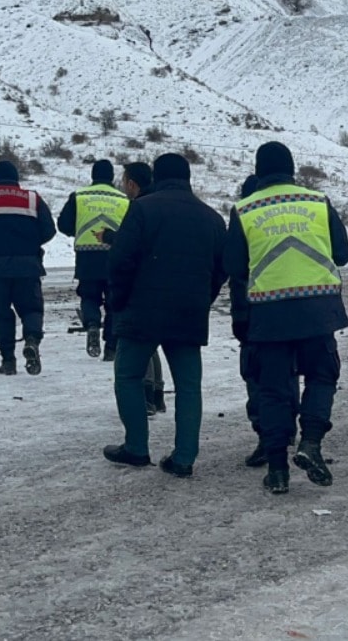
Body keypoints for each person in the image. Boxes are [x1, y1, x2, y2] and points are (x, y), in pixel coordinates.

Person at [224, 142, 348, 494]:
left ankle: (278, 470)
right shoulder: (317, 202)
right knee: (322, 377)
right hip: (318, 309)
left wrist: (241, 320)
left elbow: (235, 270)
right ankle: (311, 443)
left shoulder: (244, 210)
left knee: (273, 391)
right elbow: (343, 254)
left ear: (259, 170)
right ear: (292, 169)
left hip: (269, 314)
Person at [104, 153, 227, 478]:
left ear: (157, 177)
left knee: (128, 376)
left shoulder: (142, 209)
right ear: (189, 177)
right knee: (189, 386)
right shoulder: (212, 218)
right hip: (188, 313)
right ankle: (184, 457)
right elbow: (220, 269)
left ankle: (136, 448)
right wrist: (203, 300)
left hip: (142, 313)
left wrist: (120, 302)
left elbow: (121, 261)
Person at [229, 173, 300, 468]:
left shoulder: (246, 221)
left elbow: (235, 274)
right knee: (288, 377)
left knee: (259, 381)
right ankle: (287, 432)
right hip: (294, 313)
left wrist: (239, 319)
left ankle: (268, 438)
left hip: (256, 318)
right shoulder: (285, 223)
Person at [0, 161, 56, 375]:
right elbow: (49, 230)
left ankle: (8, 361)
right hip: (28, 265)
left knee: (1, 314)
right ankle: (32, 340)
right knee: (31, 309)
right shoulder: (32, 198)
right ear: (17, 179)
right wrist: (32, 243)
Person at [102, 162, 168, 415]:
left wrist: (109, 238)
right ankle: (158, 395)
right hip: (161, 284)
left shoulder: (140, 206)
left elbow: (129, 247)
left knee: (140, 344)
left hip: (142, 287)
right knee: (152, 346)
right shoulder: (160, 202)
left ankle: (148, 397)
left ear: (132, 183)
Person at [58, 160, 129, 360]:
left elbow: (63, 224)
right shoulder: (123, 199)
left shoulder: (79, 196)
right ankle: (111, 349)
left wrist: (78, 232)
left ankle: (92, 325)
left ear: (93, 175)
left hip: (87, 256)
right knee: (114, 303)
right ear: (111, 176)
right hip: (115, 256)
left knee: (89, 297)